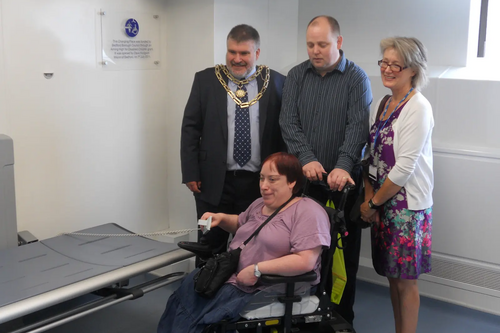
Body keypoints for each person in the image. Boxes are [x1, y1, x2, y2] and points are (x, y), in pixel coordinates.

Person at [157, 152, 331, 333]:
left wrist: (257, 269)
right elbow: (241, 224)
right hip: (234, 275)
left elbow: (305, 260)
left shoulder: (308, 212)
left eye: (272, 180)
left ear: (291, 182)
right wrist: (221, 218)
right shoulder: (259, 204)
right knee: (188, 289)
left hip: (267, 285)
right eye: (262, 178)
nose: (264, 186)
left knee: (201, 316)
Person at [279, 15, 372, 327]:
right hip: (306, 183)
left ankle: (342, 318)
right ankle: (305, 316)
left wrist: (343, 166)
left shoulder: (357, 79)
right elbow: (288, 122)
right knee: (304, 250)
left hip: (343, 186)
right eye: (310, 44)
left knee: (342, 258)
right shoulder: (295, 76)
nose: (315, 50)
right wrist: (306, 158)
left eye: (322, 44)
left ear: (339, 42)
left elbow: (357, 128)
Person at [180, 24, 286, 257]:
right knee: (208, 247)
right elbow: (190, 128)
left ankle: (240, 291)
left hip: (259, 185)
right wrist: (190, 172)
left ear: (256, 54)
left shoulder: (277, 83)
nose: (237, 59)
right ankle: (204, 289)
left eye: (244, 53)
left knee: (252, 248)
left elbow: (284, 133)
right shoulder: (205, 80)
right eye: (232, 52)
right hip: (212, 181)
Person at [360, 37, 433, 333]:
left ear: (413, 69)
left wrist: (373, 203)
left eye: (396, 64)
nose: (388, 70)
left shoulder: (418, 107)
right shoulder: (381, 103)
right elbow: (369, 154)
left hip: (406, 207)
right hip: (380, 202)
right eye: (384, 63)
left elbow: (404, 168)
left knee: (406, 281)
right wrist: (368, 200)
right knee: (391, 276)